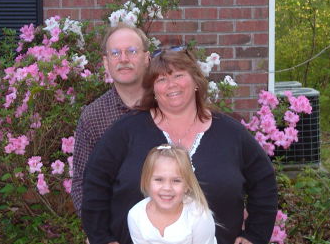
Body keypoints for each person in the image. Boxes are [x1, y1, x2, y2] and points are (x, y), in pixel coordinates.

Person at [82, 47, 278, 244]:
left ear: (195, 81)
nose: (171, 84)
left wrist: (254, 236)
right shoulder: (126, 131)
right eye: (161, 79)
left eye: (178, 75)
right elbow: (95, 183)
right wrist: (102, 238)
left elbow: (264, 181)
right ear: (153, 90)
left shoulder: (231, 134)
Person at [71, 23, 150, 216]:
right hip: (116, 227)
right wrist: (98, 232)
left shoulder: (166, 105)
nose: (123, 59)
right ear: (106, 62)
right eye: (115, 53)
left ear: (147, 58)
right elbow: (82, 183)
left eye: (131, 51)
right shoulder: (93, 116)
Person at [127, 144, 217, 244]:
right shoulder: (136, 215)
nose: (167, 188)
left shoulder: (199, 215)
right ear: (146, 181)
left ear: (187, 185)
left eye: (176, 180)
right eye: (159, 179)